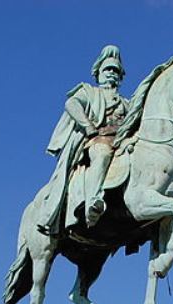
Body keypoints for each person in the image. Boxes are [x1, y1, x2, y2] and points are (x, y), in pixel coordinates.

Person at [40, 45, 129, 232]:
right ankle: (92, 202)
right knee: (103, 154)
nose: (111, 73)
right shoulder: (88, 92)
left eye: (115, 70)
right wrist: (88, 126)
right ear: (98, 73)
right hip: (97, 139)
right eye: (108, 69)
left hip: (122, 141)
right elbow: (71, 104)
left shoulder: (126, 103)